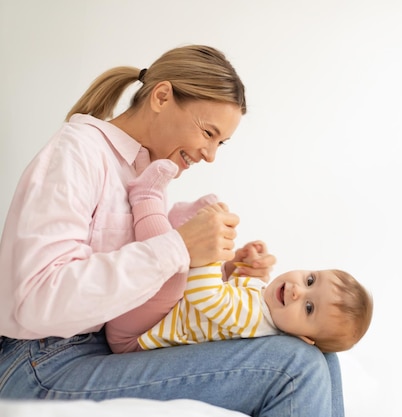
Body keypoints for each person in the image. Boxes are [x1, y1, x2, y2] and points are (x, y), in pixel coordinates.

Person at [0, 44, 346, 417]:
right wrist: (178, 248)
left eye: (220, 143)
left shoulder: (144, 173)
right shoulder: (77, 153)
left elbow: (142, 291)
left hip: (97, 347)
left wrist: (220, 269)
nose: (210, 155)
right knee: (294, 368)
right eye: (208, 133)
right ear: (162, 96)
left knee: (322, 357)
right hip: (39, 363)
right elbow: (34, 300)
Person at [105, 159, 373, 353]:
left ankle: (146, 197)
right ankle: (181, 224)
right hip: (151, 318)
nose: (297, 292)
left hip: (136, 337)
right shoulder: (265, 303)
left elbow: (205, 295)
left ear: (304, 338)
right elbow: (224, 293)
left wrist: (211, 252)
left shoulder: (254, 319)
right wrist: (239, 262)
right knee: (181, 266)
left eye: (309, 308)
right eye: (311, 281)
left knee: (176, 277)